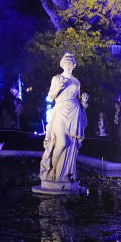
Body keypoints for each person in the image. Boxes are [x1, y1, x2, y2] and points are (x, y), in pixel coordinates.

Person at [39, 53, 88, 184]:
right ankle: (53, 171)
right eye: (66, 64)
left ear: (74, 65)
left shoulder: (76, 82)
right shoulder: (57, 78)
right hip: (60, 112)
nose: (68, 66)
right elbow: (50, 96)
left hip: (74, 114)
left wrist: (83, 103)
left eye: (70, 64)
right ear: (62, 65)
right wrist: (58, 88)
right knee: (62, 143)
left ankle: (65, 174)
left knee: (70, 145)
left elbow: (77, 99)